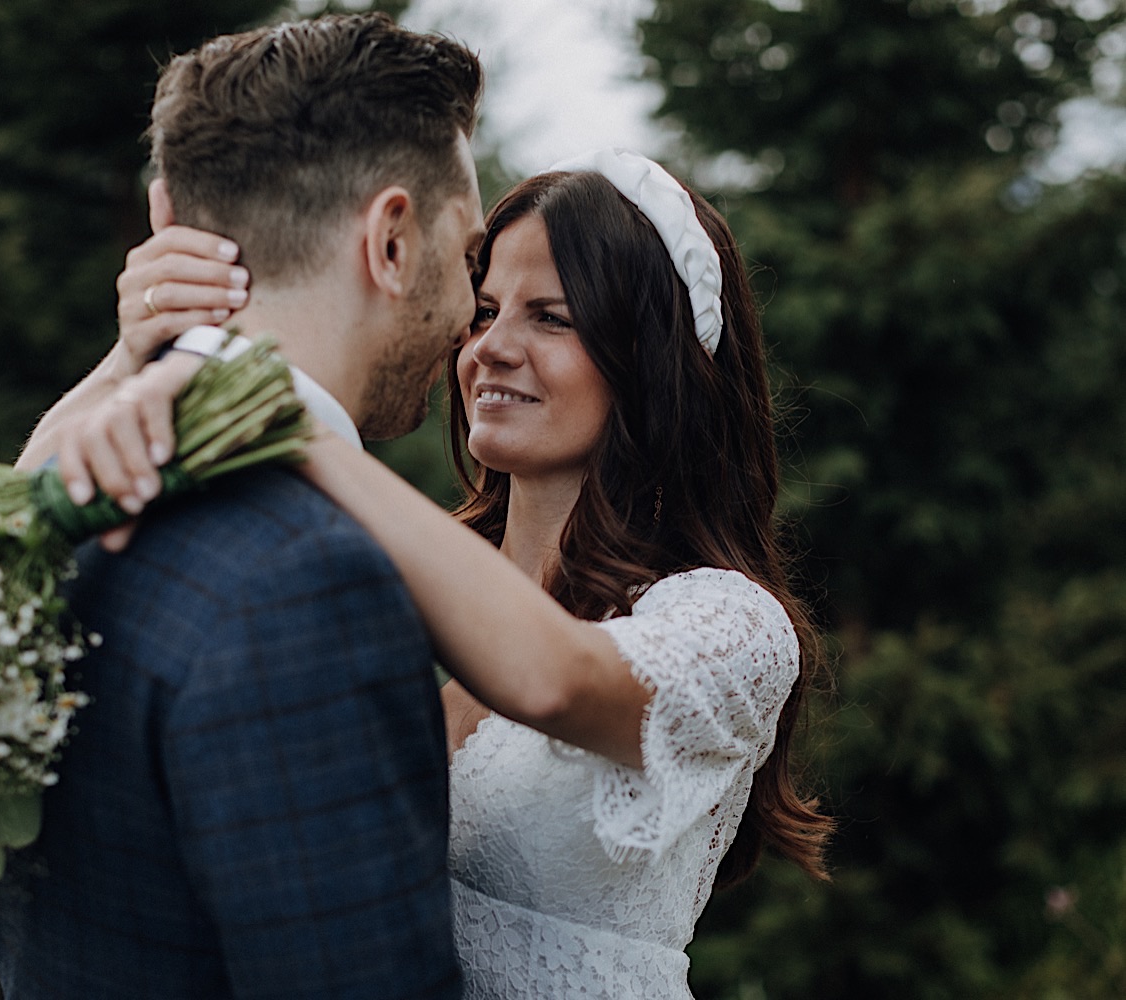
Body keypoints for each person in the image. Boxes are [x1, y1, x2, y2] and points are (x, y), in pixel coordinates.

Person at [56, 149, 835, 998]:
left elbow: (552, 676)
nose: (491, 349)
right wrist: (129, 361)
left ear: (651, 363)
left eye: (552, 318)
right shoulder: (402, 571)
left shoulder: (734, 626)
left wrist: (280, 409)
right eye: (486, 309)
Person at [0, 14, 485, 1000]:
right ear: (391, 239)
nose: (473, 314)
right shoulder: (308, 576)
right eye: (468, 257)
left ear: (168, 214)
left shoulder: (49, 514)